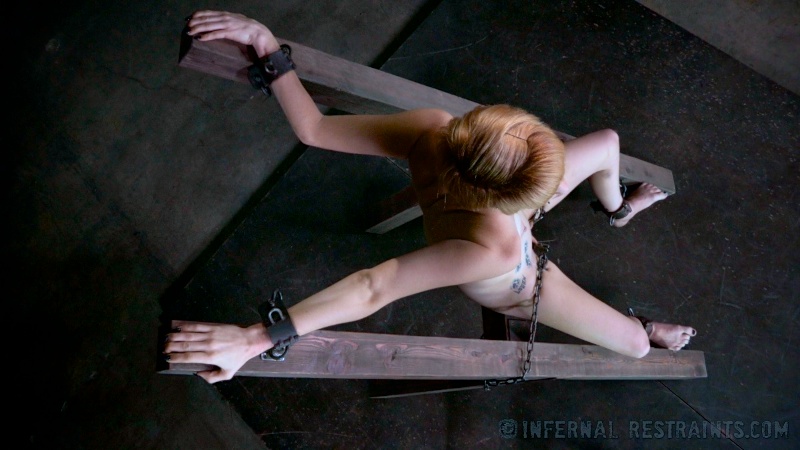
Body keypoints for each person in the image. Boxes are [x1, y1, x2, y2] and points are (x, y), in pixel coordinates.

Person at [165, 10, 696, 384]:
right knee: (637, 346)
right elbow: (375, 286)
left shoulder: (435, 129)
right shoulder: (493, 252)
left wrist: (265, 43)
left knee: (606, 143)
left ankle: (619, 210)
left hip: (501, 211)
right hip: (520, 279)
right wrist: (257, 338)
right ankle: (643, 315)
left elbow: (315, 130)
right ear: (514, 197)